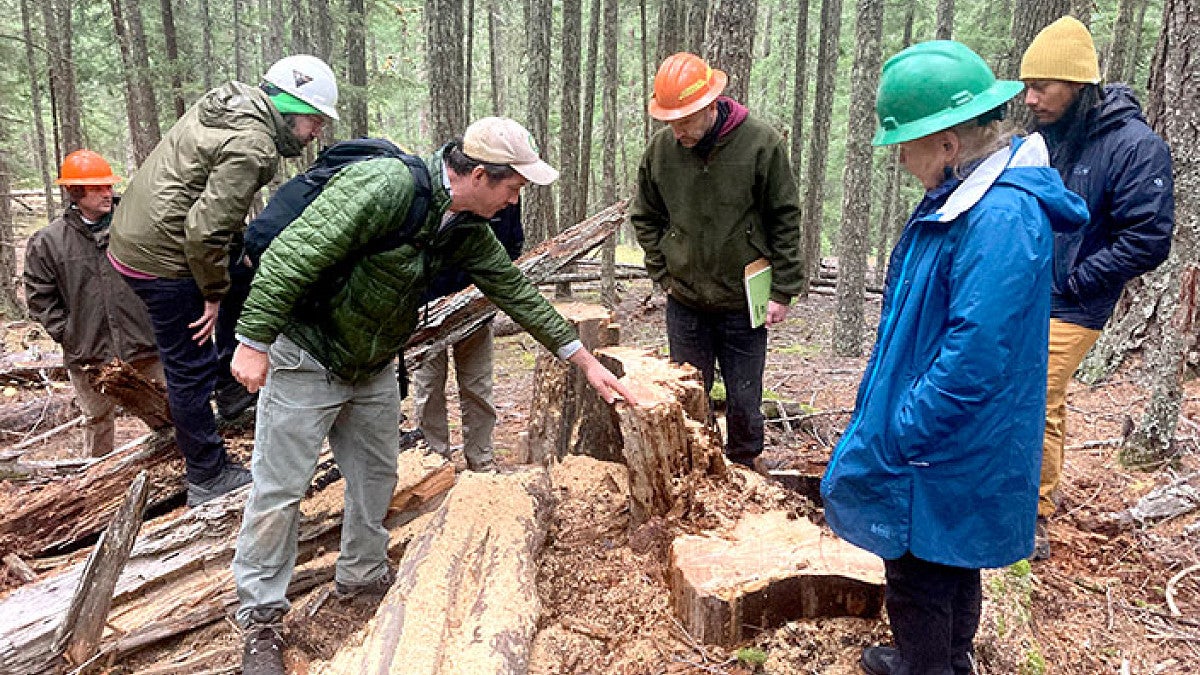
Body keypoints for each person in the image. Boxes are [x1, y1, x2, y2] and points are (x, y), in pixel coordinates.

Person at [228, 116, 634, 675]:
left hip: (370, 364)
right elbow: (294, 254)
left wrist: (584, 360)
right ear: (483, 177)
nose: (515, 201)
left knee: (375, 477)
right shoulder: (388, 187)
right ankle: (259, 620)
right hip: (307, 352)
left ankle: (363, 580)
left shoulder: (463, 226)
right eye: (513, 187)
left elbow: (512, 288)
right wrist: (253, 340)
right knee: (280, 489)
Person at [819, 41, 1088, 675]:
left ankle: (932, 665)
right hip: (948, 434)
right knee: (946, 558)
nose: (899, 159)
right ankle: (941, 660)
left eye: (905, 145)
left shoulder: (998, 215)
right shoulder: (972, 198)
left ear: (947, 142)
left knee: (921, 568)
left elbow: (977, 349)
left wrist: (909, 424)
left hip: (945, 438)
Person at [107, 55, 339, 507]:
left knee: (243, 282)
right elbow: (205, 229)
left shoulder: (233, 104)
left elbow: (212, 214)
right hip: (163, 258)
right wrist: (211, 294)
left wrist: (228, 277)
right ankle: (206, 474)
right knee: (189, 361)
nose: (317, 135)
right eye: (315, 122)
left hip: (145, 235)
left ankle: (233, 395)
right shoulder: (254, 146)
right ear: (290, 110)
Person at [1019, 16, 1175, 560]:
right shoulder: (1048, 137)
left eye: (1042, 87)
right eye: (1026, 86)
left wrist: (1077, 277)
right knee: (1025, 391)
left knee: (1036, 393)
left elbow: (1151, 237)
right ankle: (1015, 496)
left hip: (1078, 303)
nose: (1030, 98)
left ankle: (1029, 513)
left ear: (1078, 85)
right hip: (1031, 290)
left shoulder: (1136, 146)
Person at [630, 52, 804, 468]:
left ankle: (747, 467)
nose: (678, 130)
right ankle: (696, 471)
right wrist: (663, 271)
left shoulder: (761, 144)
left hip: (744, 300)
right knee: (690, 393)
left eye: (686, 120)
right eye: (670, 121)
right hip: (686, 300)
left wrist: (783, 289)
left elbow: (784, 216)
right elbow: (645, 215)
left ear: (711, 106)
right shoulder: (661, 151)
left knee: (745, 398)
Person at [24, 150, 164, 457]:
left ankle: (189, 473)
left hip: (146, 345)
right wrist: (70, 333)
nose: (107, 193)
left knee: (170, 415)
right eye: (97, 187)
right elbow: (39, 297)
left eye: (109, 186)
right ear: (75, 192)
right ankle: (98, 484)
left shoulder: (136, 226)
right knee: (97, 422)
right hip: (89, 355)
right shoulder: (48, 241)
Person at [409, 201, 523, 471]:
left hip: (477, 309)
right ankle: (435, 461)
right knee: (428, 387)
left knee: (477, 386)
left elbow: (513, 245)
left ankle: (481, 460)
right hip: (428, 312)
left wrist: (488, 293)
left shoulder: (505, 200)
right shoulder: (435, 196)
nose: (511, 196)